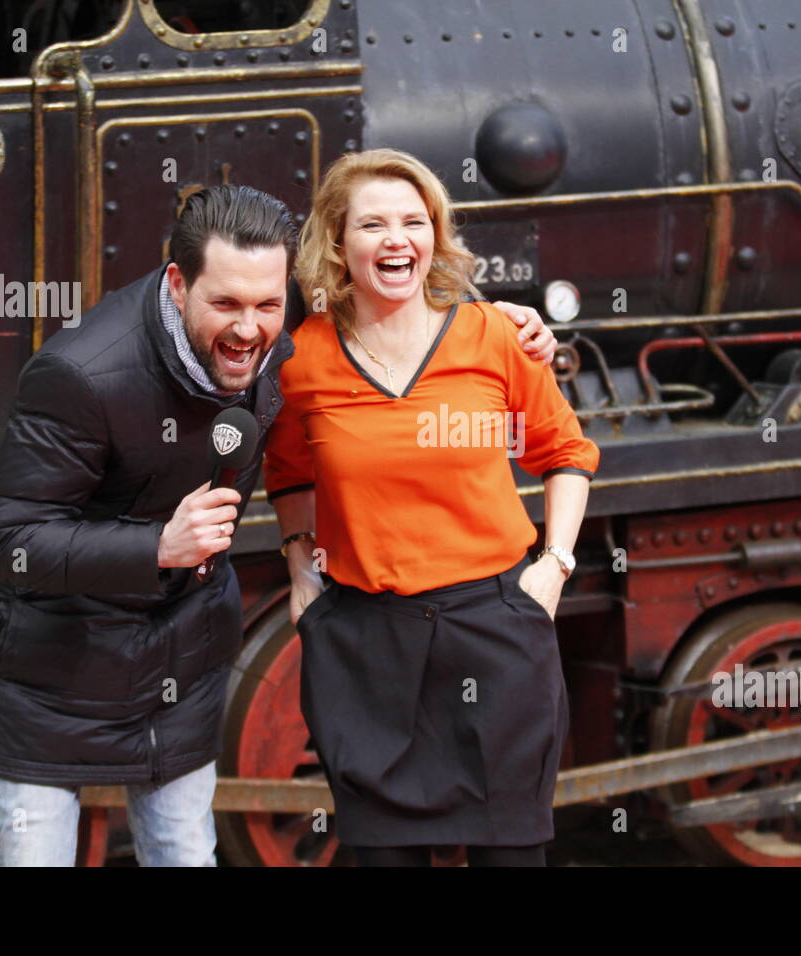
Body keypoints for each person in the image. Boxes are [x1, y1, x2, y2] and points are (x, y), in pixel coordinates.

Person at [0, 183, 558, 867]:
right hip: (51, 665)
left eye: (268, 306)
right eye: (227, 305)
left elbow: (395, 289)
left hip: (176, 649)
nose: (249, 329)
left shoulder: (287, 308)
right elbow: (7, 541)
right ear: (178, 285)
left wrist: (500, 319)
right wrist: (157, 545)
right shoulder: (81, 374)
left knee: (184, 852)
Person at [265, 148, 599, 867]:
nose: (397, 239)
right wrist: (300, 570)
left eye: (414, 222)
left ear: (435, 238)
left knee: (511, 856)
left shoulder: (498, 337)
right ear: (337, 242)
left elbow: (566, 454)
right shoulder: (301, 360)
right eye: (373, 224)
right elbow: (288, 471)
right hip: (366, 644)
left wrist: (554, 567)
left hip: (495, 630)